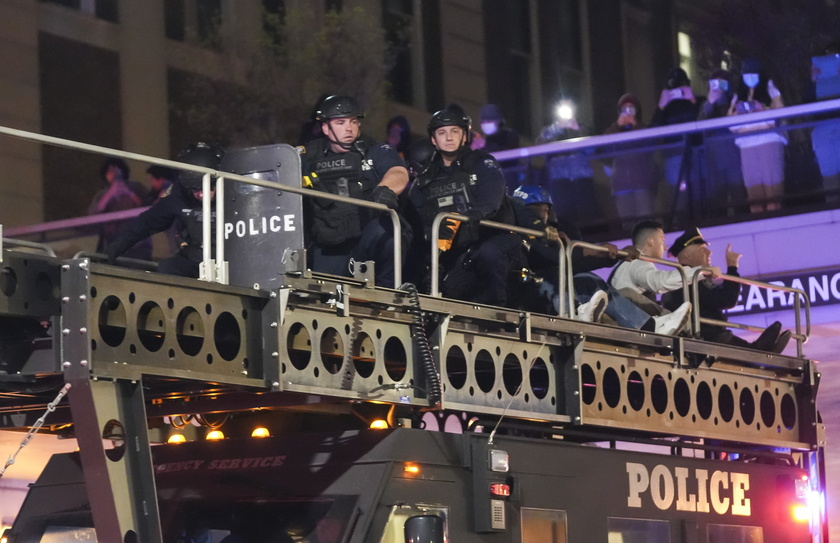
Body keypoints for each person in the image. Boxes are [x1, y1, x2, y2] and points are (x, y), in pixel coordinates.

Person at [510, 186, 690, 335]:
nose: (543, 215)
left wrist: (611, 256)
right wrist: (589, 251)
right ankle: (577, 312)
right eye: (535, 210)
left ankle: (651, 327)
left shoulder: (554, 235)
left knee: (590, 279)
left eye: (546, 209)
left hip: (552, 289)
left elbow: (575, 264)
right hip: (527, 293)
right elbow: (548, 260)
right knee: (559, 279)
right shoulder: (515, 233)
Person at [407, 104, 521, 306]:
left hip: (492, 238)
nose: (449, 137)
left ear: (465, 135)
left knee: (489, 254)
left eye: (454, 131)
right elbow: (414, 216)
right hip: (455, 252)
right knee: (442, 289)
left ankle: (500, 314)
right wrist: (429, 234)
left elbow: (492, 194)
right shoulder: (426, 178)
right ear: (434, 139)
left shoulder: (482, 162)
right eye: (442, 133)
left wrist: (475, 213)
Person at [299, 94, 409, 288]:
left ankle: (386, 296)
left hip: (366, 238)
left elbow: (398, 172)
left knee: (387, 229)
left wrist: (386, 189)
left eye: (354, 121)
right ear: (326, 127)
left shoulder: (374, 150)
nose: (349, 128)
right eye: (341, 122)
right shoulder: (309, 156)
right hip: (329, 244)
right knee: (326, 297)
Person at [661, 227, 791, 353]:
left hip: (707, 335)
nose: (709, 252)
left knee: (734, 342)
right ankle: (760, 352)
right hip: (706, 338)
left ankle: (761, 351)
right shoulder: (690, 279)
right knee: (746, 349)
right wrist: (732, 268)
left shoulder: (684, 279)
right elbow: (727, 299)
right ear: (687, 255)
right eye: (703, 249)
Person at [105, 142, 224, 277]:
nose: (201, 194)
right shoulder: (178, 194)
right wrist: (113, 250)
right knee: (168, 268)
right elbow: (146, 222)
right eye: (195, 190)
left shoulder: (236, 188)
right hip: (195, 257)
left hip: (232, 257)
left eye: (208, 188)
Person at [609, 220, 699, 332]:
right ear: (650, 241)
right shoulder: (637, 262)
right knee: (684, 324)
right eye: (662, 240)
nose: (665, 247)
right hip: (630, 325)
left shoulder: (630, 262)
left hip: (628, 323)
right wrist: (699, 272)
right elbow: (659, 282)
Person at [728, 58, 787, 213]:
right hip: (746, 148)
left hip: (769, 143)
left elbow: (779, 118)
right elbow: (731, 125)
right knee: (755, 202)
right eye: (746, 74)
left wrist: (763, 110)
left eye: (753, 73)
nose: (749, 77)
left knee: (773, 200)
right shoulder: (739, 94)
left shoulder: (770, 89)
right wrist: (741, 113)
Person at [536, 101, 600, 226]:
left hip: (582, 178)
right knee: (563, 216)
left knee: (587, 213)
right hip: (559, 180)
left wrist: (576, 129)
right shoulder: (550, 131)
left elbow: (591, 149)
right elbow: (539, 148)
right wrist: (557, 128)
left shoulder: (583, 129)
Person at [650, 67, 701, 215]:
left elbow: (702, 119)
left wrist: (692, 100)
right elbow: (653, 131)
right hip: (674, 157)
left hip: (696, 153)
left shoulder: (695, 102)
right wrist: (661, 106)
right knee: (680, 199)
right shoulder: (666, 107)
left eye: (682, 86)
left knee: (699, 195)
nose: (678, 90)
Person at [603, 94, 658, 230]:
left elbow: (651, 144)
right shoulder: (614, 130)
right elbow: (603, 147)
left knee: (646, 223)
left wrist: (635, 126)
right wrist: (617, 125)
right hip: (621, 185)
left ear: (637, 110)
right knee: (627, 225)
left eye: (631, 108)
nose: (627, 112)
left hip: (642, 183)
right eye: (624, 109)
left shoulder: (643, 128)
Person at [698, 68, 747, 215]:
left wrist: (731, 105)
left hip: (735, 160)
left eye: (723, 83)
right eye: (715, 83)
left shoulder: (735, 102)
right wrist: (710, 103)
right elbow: (699, 128)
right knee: (718, 207)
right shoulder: (705, 105)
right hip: (714, 162)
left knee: (740, 202)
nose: (718, 87)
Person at [88, 157, 152, 261]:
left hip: (138, 244)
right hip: (113, 244)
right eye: (110, 171)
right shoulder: (102, 194)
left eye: (116, 170)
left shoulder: (136, 187)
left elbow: (148, 206)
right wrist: (111, 193)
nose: (113, 174)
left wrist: (128, 192)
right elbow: (93, 215)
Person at [471, 103, 521, 190]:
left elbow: (507, 155)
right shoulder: (485, 140)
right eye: (483, 122)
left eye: (489, 121)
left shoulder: (509, 135)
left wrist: (483, 145)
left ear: (498, 121)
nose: (486, 124)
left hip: (508, 182)